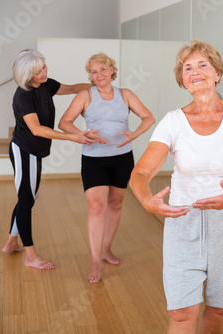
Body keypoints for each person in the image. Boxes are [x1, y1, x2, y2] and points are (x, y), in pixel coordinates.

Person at [130, 40, 223, 333]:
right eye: (187, 68)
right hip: (184, 221)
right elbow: (141, 171)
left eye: (202, 65)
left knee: (220, 309)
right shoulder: (172, 122)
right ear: (182, 79)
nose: (195, 72)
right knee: (182, 313)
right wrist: (146, 200)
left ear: (217, 73)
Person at [58, 53, 155, 283]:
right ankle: (94, 262)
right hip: (94, 160)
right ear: (90, 76)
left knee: (116, 203)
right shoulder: (85, 95)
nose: (98, 74)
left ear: (112, 70)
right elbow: (64, 122)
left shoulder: (126, 95)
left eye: (102, 69)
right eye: (93, 71)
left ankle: (106, 249)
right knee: (96, 207)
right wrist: (81, 134)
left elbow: (148, 117)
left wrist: (135, 134)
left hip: (122, 158)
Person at [2, 49, 95, 269]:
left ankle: (11, 242)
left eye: (44, 67)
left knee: (28, 197)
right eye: (38, 71)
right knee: (27, 200)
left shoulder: (46, 84)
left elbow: (72, 88)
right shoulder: (23, 96)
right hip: (25, 151)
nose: (44, 73)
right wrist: (73, 137)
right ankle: (31, 255)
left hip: (36, 151)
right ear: (27, 75)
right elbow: (36, 129)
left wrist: (99, 86)